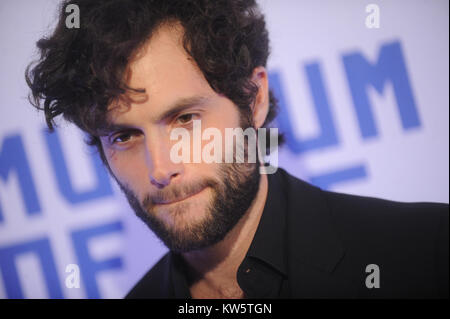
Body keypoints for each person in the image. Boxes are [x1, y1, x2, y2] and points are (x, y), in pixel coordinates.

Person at [26, 0, 448, 299]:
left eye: (184, 119)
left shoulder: (425, 253)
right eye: (124, 136)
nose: (161, 168)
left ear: (255, 98)